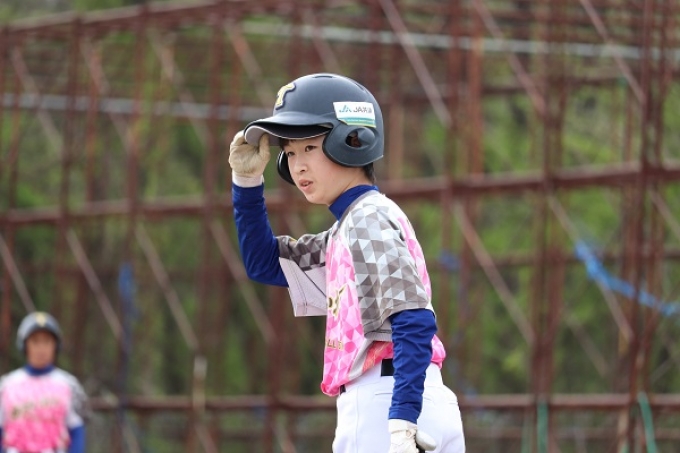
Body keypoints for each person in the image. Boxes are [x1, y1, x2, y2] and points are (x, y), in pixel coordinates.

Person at [229, 73, 465, 453]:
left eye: (309, 147)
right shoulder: (348, 228)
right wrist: (246, 183)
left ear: (352, 140)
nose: (298, 165)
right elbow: (264, 264)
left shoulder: (367, 219)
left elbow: (414, 317)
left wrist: (403, 417)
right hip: (406, 395)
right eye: (290, 152)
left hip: (388, 400)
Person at [0, 312, 88, 453]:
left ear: (55, 346)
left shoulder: (69, 385)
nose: (41, 348)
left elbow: (77, 430)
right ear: (25, 345)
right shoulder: (7, 386)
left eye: (47, 341)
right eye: (35, 341)